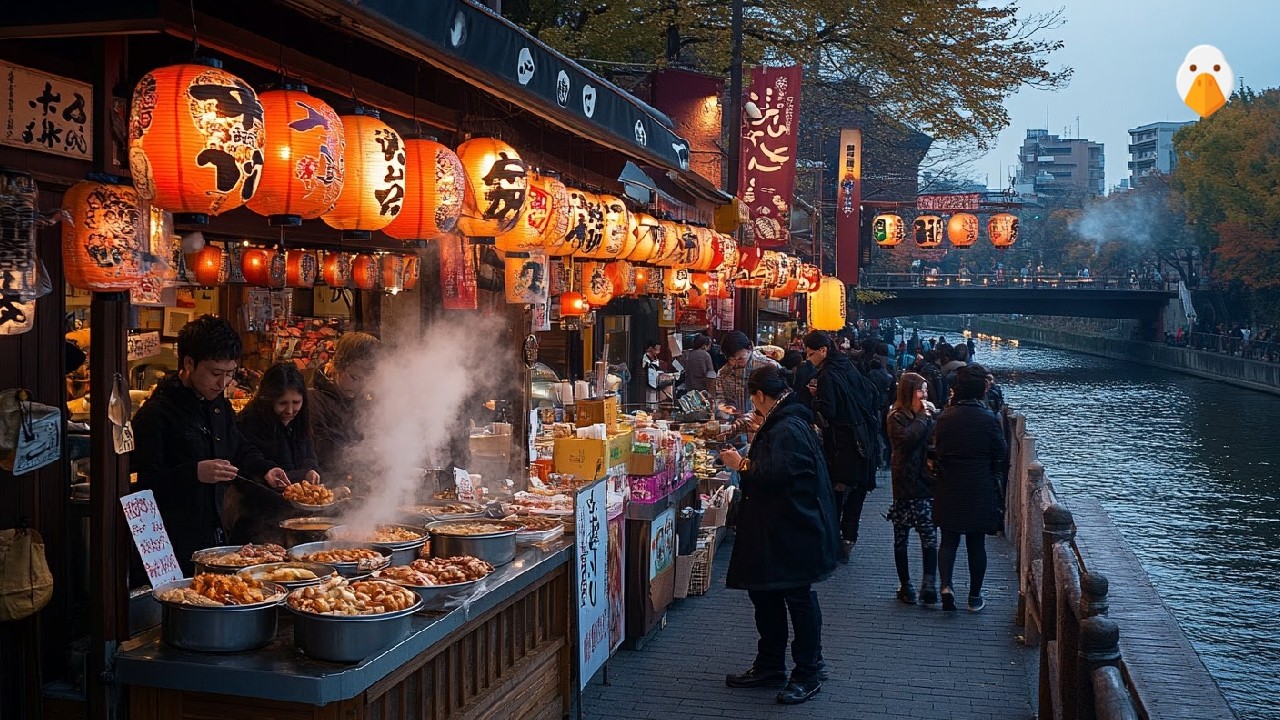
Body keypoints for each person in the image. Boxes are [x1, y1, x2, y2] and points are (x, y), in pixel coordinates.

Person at [718, 366, 841, 705]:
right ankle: (770, 664)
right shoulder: (785, 421)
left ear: (759, 396)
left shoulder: (787, 426)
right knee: (766, 594)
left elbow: (779, 473)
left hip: (794, 531)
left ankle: (808, 672)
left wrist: (739, 464)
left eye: (753, 399)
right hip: (777, 529)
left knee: (797, 599)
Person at [132, 315, 289, 574]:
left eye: (230, 374)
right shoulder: (156, 414)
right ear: (189, 363)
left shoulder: (219, 407)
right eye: (216, 373)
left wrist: (265, 469)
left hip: (212, 534)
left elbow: (237, 446)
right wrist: (193, 473)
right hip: (168, 542)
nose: (223, 383)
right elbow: (139, 483)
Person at [931, 365, 1009, 612]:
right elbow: (1001, 451)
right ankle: (974, 597)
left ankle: (945, 585)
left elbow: (935, 449)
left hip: (950, 480)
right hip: (978, 481)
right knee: (976, 543)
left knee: (948, 539)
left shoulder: (944, 417)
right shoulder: (989, 418)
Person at [803, 330, 880, 560]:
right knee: (856, 493)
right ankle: (848, 539)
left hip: (842, 445)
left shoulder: (827, 374)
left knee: (836, 494)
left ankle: (833, 542)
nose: (808, 358)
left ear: (823, 351)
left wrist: (815, 397)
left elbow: (828, 410)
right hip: (863, 439)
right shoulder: (848, 365)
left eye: (809, 353)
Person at [226, 363, 321, 544]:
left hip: (297, 522)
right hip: (258, 524)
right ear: (268, 399)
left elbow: (310, 456)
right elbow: (247, 477)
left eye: (296, 403)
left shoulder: (300, 421)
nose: (290, 410)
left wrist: (311, 470)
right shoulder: (249, 424)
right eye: (282, 403)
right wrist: (297, 480)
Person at [885, 372, 939, 605]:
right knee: (901, 537)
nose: (925, 394)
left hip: (925, 481)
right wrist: (921, 418)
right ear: (909, 392)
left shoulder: (927, 414)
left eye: (925, 390)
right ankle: (905, 584)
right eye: (920, 390)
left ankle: (929, 583)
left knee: (929, 535)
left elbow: (934, 440)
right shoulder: (895, 416)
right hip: (904, 482)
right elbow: (906, 440)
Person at [310, 331, 380, 482]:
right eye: (354, 378)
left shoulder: (366, 402)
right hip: (328, 485)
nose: (361, 386)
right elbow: (323, 448)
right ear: (337, 366)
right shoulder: (314, 400)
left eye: (367, 380)